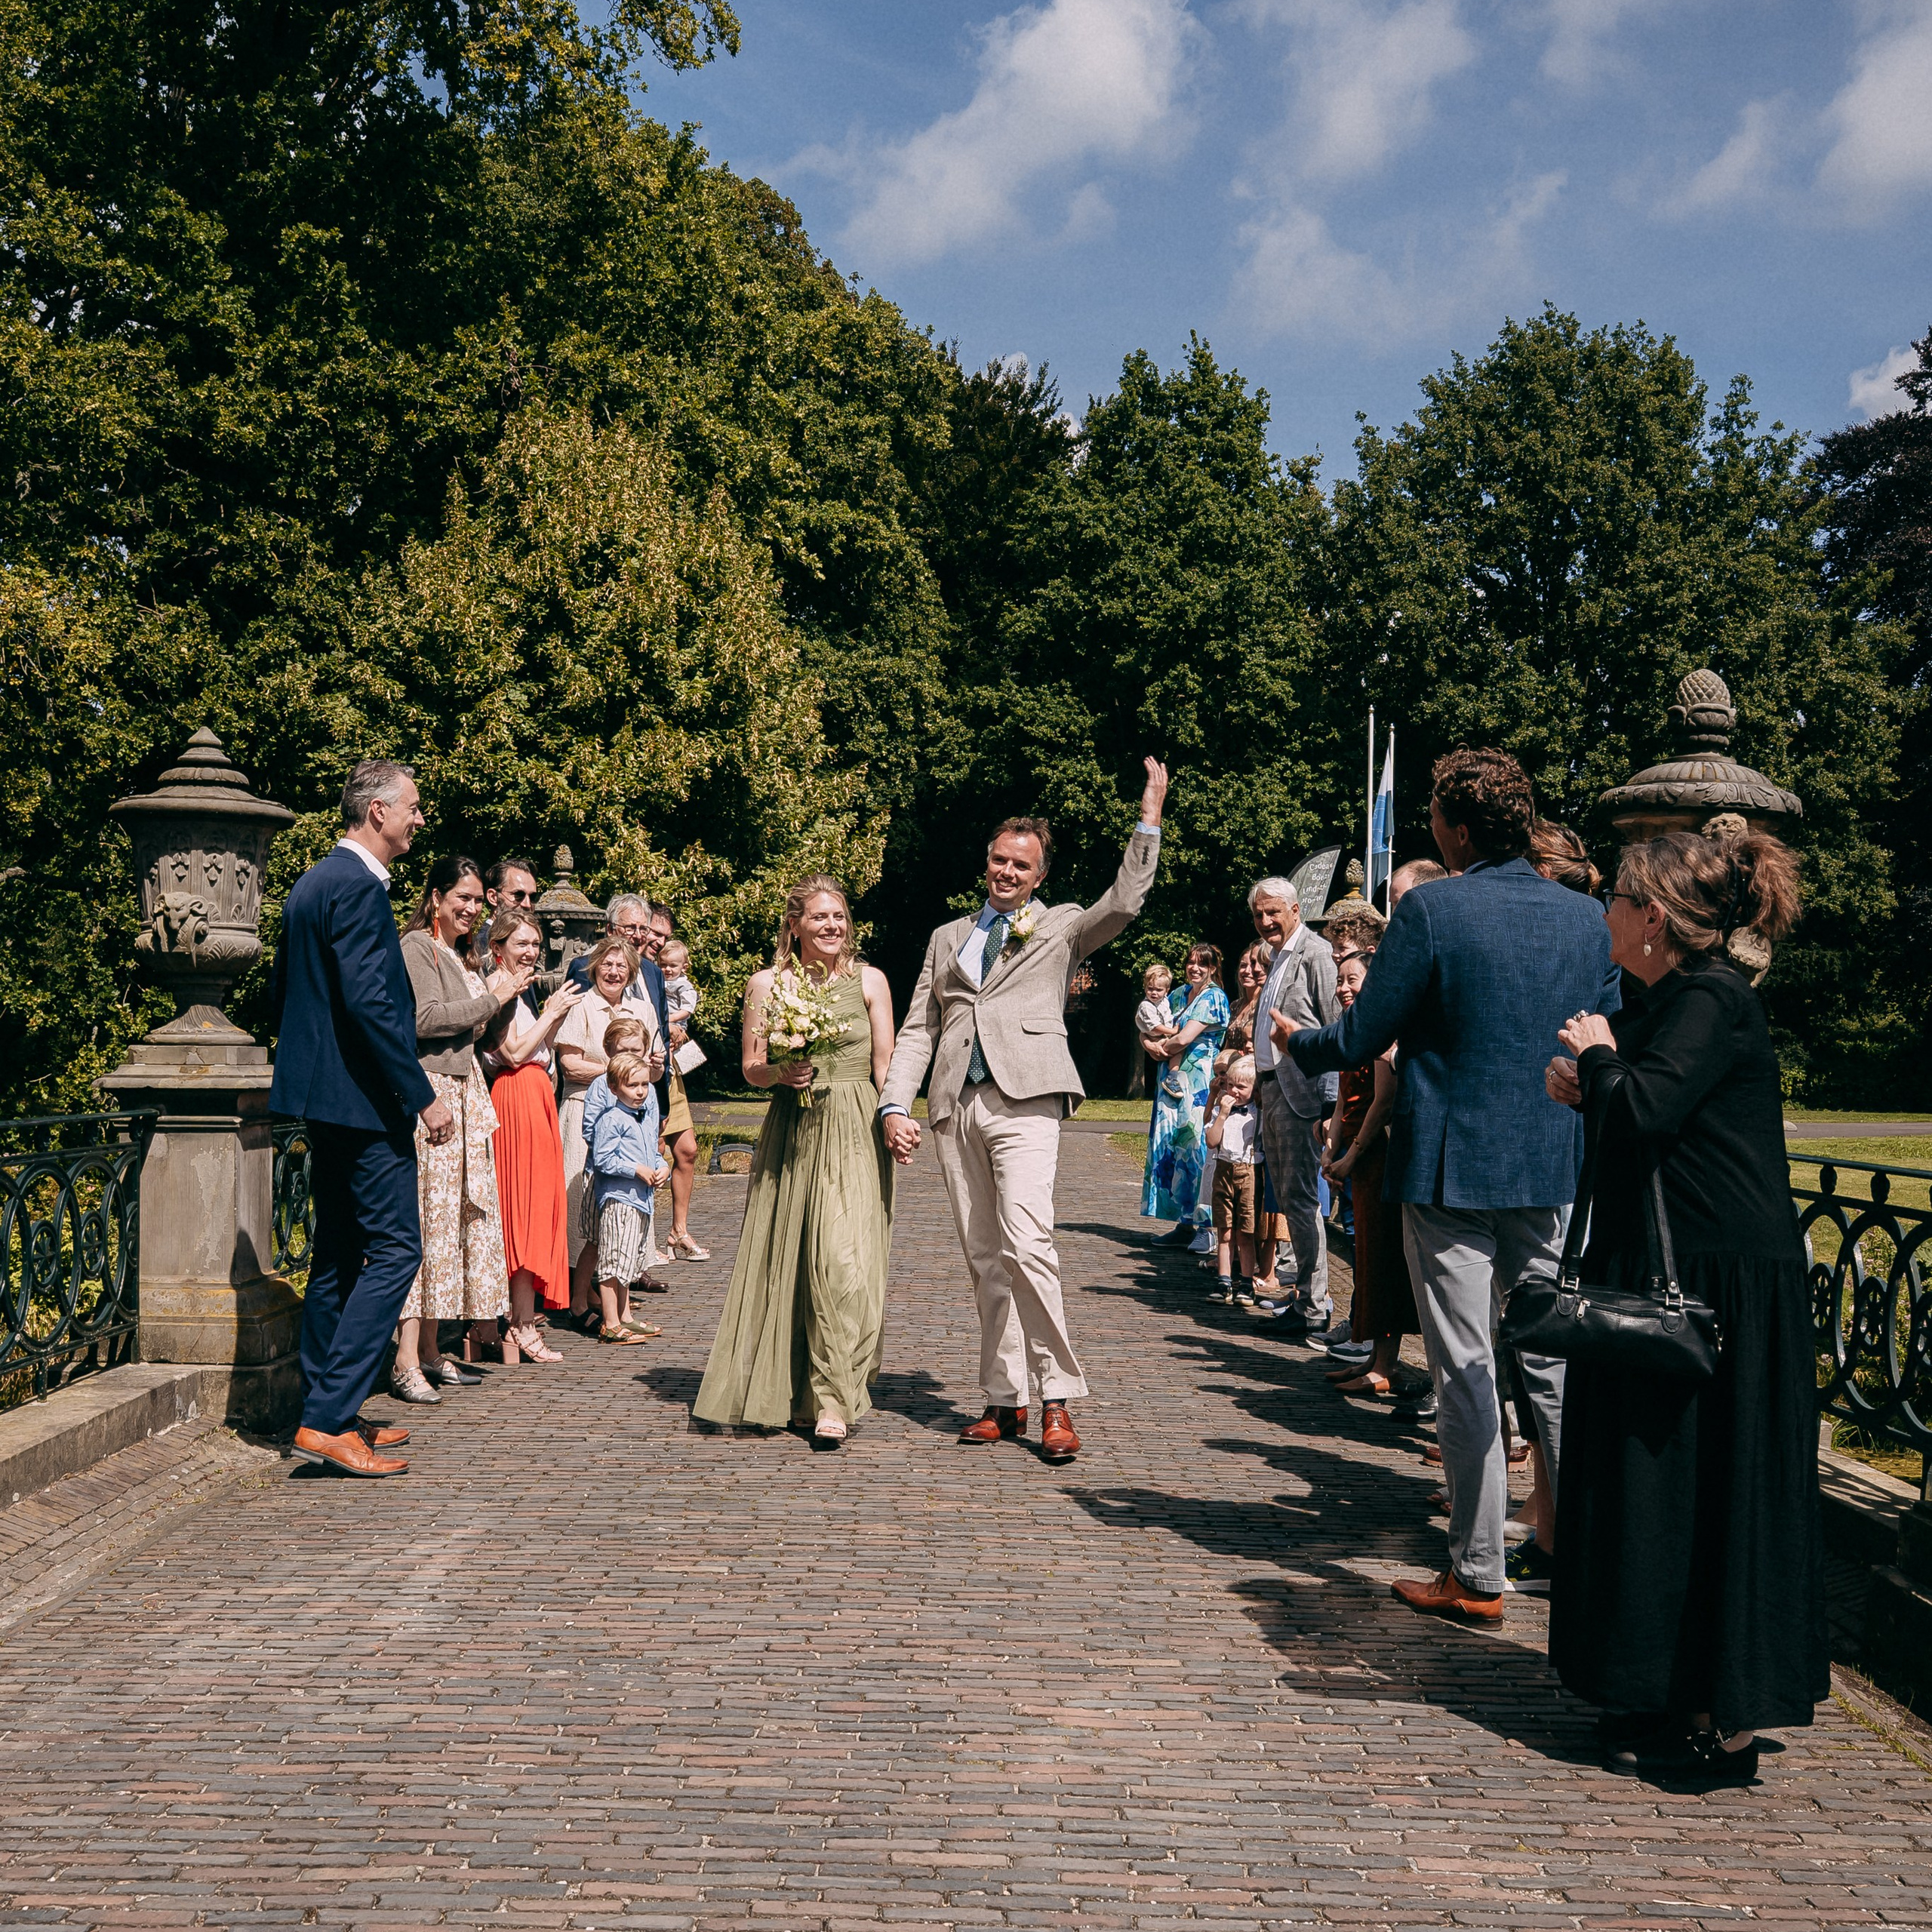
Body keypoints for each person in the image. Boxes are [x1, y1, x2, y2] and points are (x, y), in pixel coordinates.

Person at [1287, 747, 1619, 1624]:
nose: (1430, 830)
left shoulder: (1434, 909)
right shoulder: (1585, 917)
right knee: (1549, 1361)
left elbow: (1364, 1032)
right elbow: (1606, 1026)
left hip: (1449, 1169)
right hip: (1548, 1162)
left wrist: (1297, 1042)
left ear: (1459, 831)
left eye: (1435, 818)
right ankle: (1582, 1550)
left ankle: (1476, 1571)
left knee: (1466, 1366)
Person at [1544, 826, 1823, 1784]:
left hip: (1715, 1287)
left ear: (1652, 917)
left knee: (1701, 1488)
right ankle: (1650, 1686)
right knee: (1652, 1486)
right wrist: (1589, 1085)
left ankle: (1715, 1712)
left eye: (1616, 899)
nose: (1605, 914)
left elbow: (1650, 1106)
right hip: (1669, 1270)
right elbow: (1644, 1114)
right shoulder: (1660, 998)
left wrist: (1598, 1063)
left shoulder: (1712, 998)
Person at [880, 758, 1168, 1464]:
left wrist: (1149, 819)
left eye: (1021, 865)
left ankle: (1057, 1397)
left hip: (1027, 1098)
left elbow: (1124, 903)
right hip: (955, 1104)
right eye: (1000, 860)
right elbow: (918, 1028)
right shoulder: (947, 937)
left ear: (1039, 876)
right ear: (987, 862)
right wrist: (894, 1103)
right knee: (985, 1256)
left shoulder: (1062, 925)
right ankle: (1003, 1399)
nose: (1007, 872)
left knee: (1029, 1244)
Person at [274, 759, 450, 1478]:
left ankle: (329, 1409)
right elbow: (371, 1005)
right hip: (363, 1102)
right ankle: (326, 1420)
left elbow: (295, 994)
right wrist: (420, 1093)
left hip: (324, 1097)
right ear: (377, 811)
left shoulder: (313, 882)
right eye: (412, 807)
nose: (418, 819)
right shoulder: (356, 886)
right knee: (397, 1250)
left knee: (340, 1254)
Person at [695, 875, 897, 1446]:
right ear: (795, 925)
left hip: (855, 1128)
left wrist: (896, 1116)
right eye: (819, 917)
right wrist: (780, 1072)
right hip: (796, 1129)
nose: (832, 926)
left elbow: (886, 1062)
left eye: (839, 916)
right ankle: (804, 1396)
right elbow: (750, 1068)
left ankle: (834, 1395)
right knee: (796, 1261)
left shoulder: (871, 981)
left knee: (844, 1264)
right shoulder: (766, 984)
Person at [392, 856, 525, 1401]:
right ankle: (403, 1360)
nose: (471, 908)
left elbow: (479, 1031)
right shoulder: (416, 947)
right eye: (461, 898)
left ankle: (429, 1348)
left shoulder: (461, 953)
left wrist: (507, 994)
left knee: (452, 1224)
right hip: (434, 1092)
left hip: (466, 1090)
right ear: (436, 897)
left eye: (475, 899)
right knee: (429, 1221)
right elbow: (424, 1019)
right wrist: (492, 996)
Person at [479, 907, 582, 1361]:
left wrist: (554, 1015)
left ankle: (512, 1322)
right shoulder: (495, 988)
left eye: (536, 944)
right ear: (497, 947)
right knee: (521, 1212)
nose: (531, 952)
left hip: (536, 1096)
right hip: (516, 1097)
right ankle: (518, 1324)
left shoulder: (520, 991)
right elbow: (515, 1052)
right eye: (522, 943)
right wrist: (552, 1011)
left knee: (537, 1207)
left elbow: (539, 1046)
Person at [1318, 930, 1416, 1396]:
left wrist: (1352, 1154)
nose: (1343, 988)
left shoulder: (1381, 1029)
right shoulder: (1353, 1030)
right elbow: (1343, 1099)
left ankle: (1386, 1365)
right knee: (1365, 1257)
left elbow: (1383, 1100)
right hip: (1355, 1155)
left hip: (1378, 1155)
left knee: (1380, 1257)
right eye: (1339, 980)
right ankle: (1375, 1358)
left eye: (1351, 979)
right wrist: (1330, 1149)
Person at [1247, 878, 1339, 1333]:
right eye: (1259, 915)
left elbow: (1335, 1028)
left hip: (1302, 1094)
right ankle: (1305, 1294)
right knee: (1287, 1199)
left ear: (1296, 910)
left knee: (1301, 1200)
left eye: (1273, 913)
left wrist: (1330, 1104)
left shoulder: (1315, 953)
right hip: (1274, 1090)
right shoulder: (1278, 956)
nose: (1266, 921)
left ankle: (1314, 1307)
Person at [556, 937, 660, 1318]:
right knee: (584, 1210)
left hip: (635, 1118)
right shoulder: (582, 1004)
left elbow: (651, 1071)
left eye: (622, 966)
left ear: (632, 972)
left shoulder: (641, 1008)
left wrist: (651, 1069)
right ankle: (578, 1293)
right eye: (607, 964)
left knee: (621, 1217)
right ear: (595, 966)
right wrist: (619, 1072)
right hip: (587, 1107)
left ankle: (613, 1292)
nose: (614, 972)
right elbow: (570, 1064)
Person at [1141, 944, 1230, 1254]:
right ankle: (1184, 1223)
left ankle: (1207, 1228)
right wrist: (1147, 1042)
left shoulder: (1214, 997)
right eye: (1191, 962)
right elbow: (1147, 1023)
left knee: (1197, 1148)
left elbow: (1184, 1038)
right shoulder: (1178, 994)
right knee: (1175, 1147)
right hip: (1171, 1080)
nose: (1195, 968)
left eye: (1202, 964)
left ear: (1213, 968)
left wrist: (1157, 1048)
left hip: (1199, 1083)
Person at [588, 1051, 671, 1344]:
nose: (640, 1092)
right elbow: (603, 1159)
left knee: (629, 1259)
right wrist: (635, 1169)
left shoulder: (644, 1117)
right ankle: (610, 1322)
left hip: (641, 1200)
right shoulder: (611, 1119)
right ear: (614, 1088)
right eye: (632, 1085)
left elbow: (652, 1153)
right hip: (619, 1199)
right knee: (613, 1260)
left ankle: (625, 1317)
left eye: (645, 1085)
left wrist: (663, 1168)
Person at [645, 909, 704, 1263]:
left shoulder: (665, 975)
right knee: (654, 1151)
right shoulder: (634, 968)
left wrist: (678, 1031)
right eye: (654, 933)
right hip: (645, 1072)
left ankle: (678, 1231)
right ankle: (644, 1239)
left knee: (688, 1150)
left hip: (671, 1071)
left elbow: (681, 1011)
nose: (659, 941)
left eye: (665, 936)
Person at [1204, 1055, 1262, 1302]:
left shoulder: (1258, 1114)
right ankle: (1224, 1281)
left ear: (1254, 1090)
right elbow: (1211, 1141)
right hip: (1224, 1169)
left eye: (1241, 1087)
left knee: (1245, 1231)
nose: (1234, 1091)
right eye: (1230, 1085)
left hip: (1249, 1171)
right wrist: (1222, 1115)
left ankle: (1247, 1282)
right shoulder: (1221, 1112)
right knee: (1225, 1230)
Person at [1130, 963, 1175, 1097]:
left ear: (1167, 991)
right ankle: (1172, 1078)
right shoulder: (1146, 1006)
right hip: (1155, 1037)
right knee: (1176, 1049)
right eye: (1150, 989)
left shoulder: (1164, 1000)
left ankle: (1172, 1076)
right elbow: (1155, 1027)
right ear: (1145, 988)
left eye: (1159, 990)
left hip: (1163, 1035)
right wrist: (1173, 1031)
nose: (1154, 993)